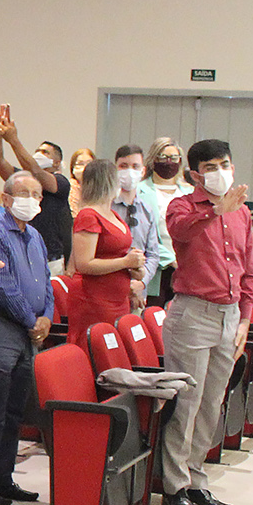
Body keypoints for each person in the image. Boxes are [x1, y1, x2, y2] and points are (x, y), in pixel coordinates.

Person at [159, 140, 253, 505]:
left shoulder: (242, 213)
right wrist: (215, 211)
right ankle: (174, 484)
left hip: (229, 315)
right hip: (193, 314)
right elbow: (181, 232)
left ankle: (197, 479)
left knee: (212, 403)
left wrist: (245, 318)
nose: (220, 172)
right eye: (211, 167)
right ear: (196, 174)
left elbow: (247, 270)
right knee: (187, 403)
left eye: (225, 164)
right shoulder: (182, 206)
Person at [0, 172, 52, 505]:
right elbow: (2, 285)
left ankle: (4, 479)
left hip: (29, 332)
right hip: (6, 328)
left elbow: (46, 280)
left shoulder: (35, 235)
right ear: (6, 198)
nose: (31, 200)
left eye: (36, 194)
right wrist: (32, 320)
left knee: (15, 411)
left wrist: (47, 316)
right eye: (23, 193)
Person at [66, 158, 141, 349]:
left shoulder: (113, 214)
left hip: (118, 299)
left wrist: (135, 267)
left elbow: (117, 254)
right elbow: (84, 263)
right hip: (95, 300)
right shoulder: (89, 215)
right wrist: (126, 262)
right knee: (98, 349)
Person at [0, 107, 72, 268]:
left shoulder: (61, 182)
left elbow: (36, 171)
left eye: (45, 152)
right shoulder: (24, 178)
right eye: (37, 151)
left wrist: (14, 140)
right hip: (22, 254)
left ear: (57, 162)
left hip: (52, 259)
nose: (38, 154)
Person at [110, 145, 162, 309]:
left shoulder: (147, 210)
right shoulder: (105, 207)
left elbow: (153, 254)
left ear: (143, 171)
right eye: (123, 166)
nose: (129, 171)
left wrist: (141, 282)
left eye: (135, 166)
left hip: (138, 295)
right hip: (109, 291)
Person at [139, 138, 190, 301]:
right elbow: (141, 234)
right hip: (154, 268)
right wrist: (170, 260)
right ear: (153, 159)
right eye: (163, 157)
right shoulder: (139, 191)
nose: (169, 162)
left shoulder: (190, 192)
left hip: (185, 268)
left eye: (174, 158)